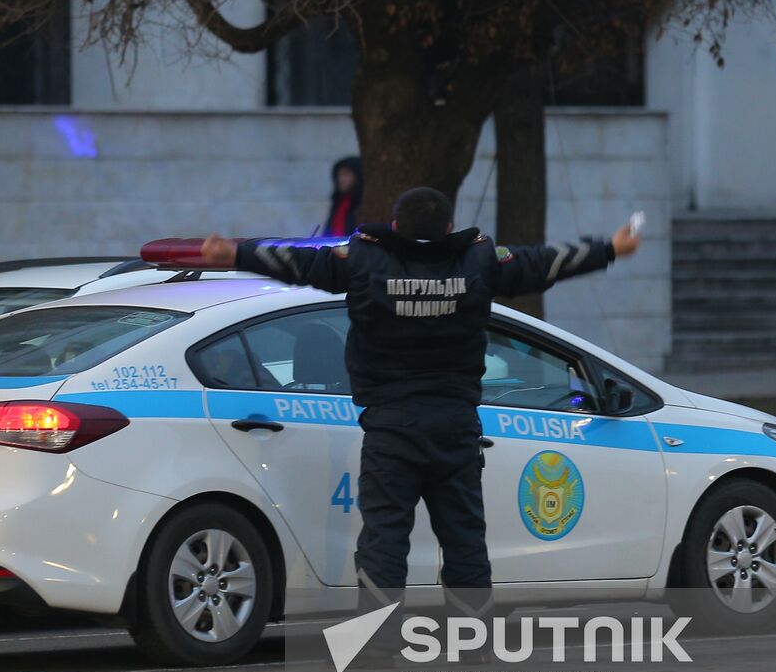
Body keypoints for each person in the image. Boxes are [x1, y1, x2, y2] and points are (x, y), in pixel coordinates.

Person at [201, 186, 641, 626]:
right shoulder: (477, 261)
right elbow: (542, 264)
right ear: (448, 228)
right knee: (464, 540)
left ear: (395, 226)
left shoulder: (364, 260)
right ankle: (472, 641)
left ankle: (377, 643)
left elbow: (298, 263)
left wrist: (236, 254)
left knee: (385, 542)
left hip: (390, 429)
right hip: (455, 427)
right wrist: (611, 249)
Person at [323, 156, 362, 236]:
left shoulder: (362, 203)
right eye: (339, 175)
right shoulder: (339, 202)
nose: (341, 179)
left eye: (346, 174)